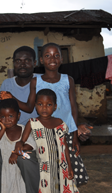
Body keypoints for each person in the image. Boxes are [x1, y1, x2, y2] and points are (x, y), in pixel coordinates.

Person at [12, 42, 89, 185]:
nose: (52, 59)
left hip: (65, 131)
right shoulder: (36, 81)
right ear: (41, 60)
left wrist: (74, 134)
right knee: (50, 166)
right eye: (47, 56)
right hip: (44, 131)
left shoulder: (68, 80)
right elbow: (29, 107)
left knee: (70, 167)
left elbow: (73, 107)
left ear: (61, 59)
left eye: (56, 55)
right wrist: (12, 98)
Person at [0, 46, 40, 193]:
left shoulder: (40, 82)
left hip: (34, 138)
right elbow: (0, 122)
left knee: (23, 158)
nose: (23, 64)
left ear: (35, 63)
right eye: (18, 61)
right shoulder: (7, 84)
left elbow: (33, 109)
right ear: (13, 63)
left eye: (27, 60)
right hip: (7, 138)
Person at [15, 89, 79, 193]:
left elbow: (64, 146)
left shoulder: (60, 123)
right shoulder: (33, 123)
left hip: (62, 168)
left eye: (48, 105)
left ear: (55, 106)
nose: (44, 108)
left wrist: (69, 166)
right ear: (35, 105)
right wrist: (19, 143)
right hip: (45, 170)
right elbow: (23, 140)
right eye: (40, 104)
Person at [0, 98, 38, 193]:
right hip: (6, 168)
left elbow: (32, 145)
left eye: (11, 116)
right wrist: (2, 129)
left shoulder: (23, 130)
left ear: (18, 115)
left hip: (20, 168)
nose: (7, 120)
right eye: (3, 117)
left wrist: (16, 152)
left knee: (21, 188)